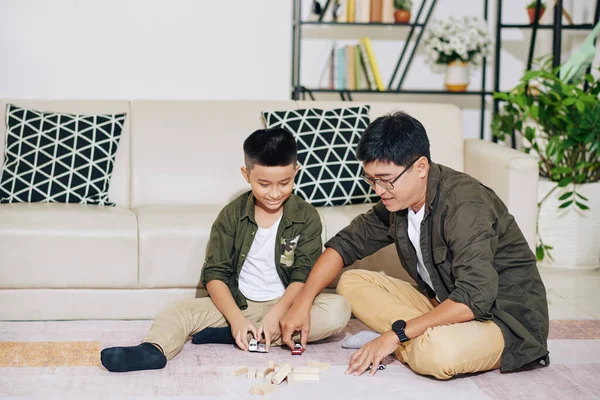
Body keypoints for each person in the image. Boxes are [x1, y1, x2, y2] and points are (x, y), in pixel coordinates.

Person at [279, 111, 549, 380]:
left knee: (438, 354)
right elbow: (345, 245)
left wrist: (394, 335)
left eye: (386, 180)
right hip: (444, 304)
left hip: (501, 321)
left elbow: (473, 298)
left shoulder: (465, 205)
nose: (379, 190)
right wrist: (302, 302)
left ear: (420, 167)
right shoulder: (398, 202)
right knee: (351, 282)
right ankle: (417, 336)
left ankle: (410, 340)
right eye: (371, 180)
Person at [100, 128, 351, 372]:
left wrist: (278, 313)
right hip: (239, 304)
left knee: (338, 311)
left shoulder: (306, 216)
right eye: (264, 184)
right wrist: (236, 318)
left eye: (285, 183)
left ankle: (239, 335)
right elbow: (215, 274)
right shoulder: (231, 215)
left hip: (287, 304)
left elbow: (302, 275)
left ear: (296, 172)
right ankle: (153, 349)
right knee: (177, 311)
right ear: (246, 174)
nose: (275, 193)